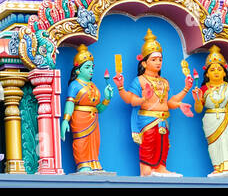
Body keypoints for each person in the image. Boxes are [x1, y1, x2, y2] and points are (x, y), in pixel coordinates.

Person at [114, 29, 194, 176]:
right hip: (148, 119)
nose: (158, 63)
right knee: (149, 144)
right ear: (144, 63)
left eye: (160, 59)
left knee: (163, 145)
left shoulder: (164, 82)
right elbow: (130, 100)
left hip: (164, 119)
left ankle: (161, 168)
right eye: (154, 59)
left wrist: (185, 92)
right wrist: (121, 87)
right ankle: (146, 170)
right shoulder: (140, 80)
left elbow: (169, 103)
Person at [192, 46, 228, 175]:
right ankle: (217, 167)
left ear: (225, 72)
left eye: (219, 69)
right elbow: (198, 110)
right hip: (210, 119)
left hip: (226, 116)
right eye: (212, 70)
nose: (216, 72)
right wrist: (197, 100)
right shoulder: (203, 89)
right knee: (214, 144)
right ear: (207, 73)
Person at [60, 45, 113, 173]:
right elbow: (70, 103)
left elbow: (98, 108)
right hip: (79, 118)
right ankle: (82, 164)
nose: (91, 71)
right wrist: (66, 120)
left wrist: (107, 98)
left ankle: (94, 163)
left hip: (93, 118)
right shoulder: (75, 85)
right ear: (78, 70)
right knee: (81, 141)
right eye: (87, 67)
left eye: (92, 67)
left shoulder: (93, 85)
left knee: (94, 141)